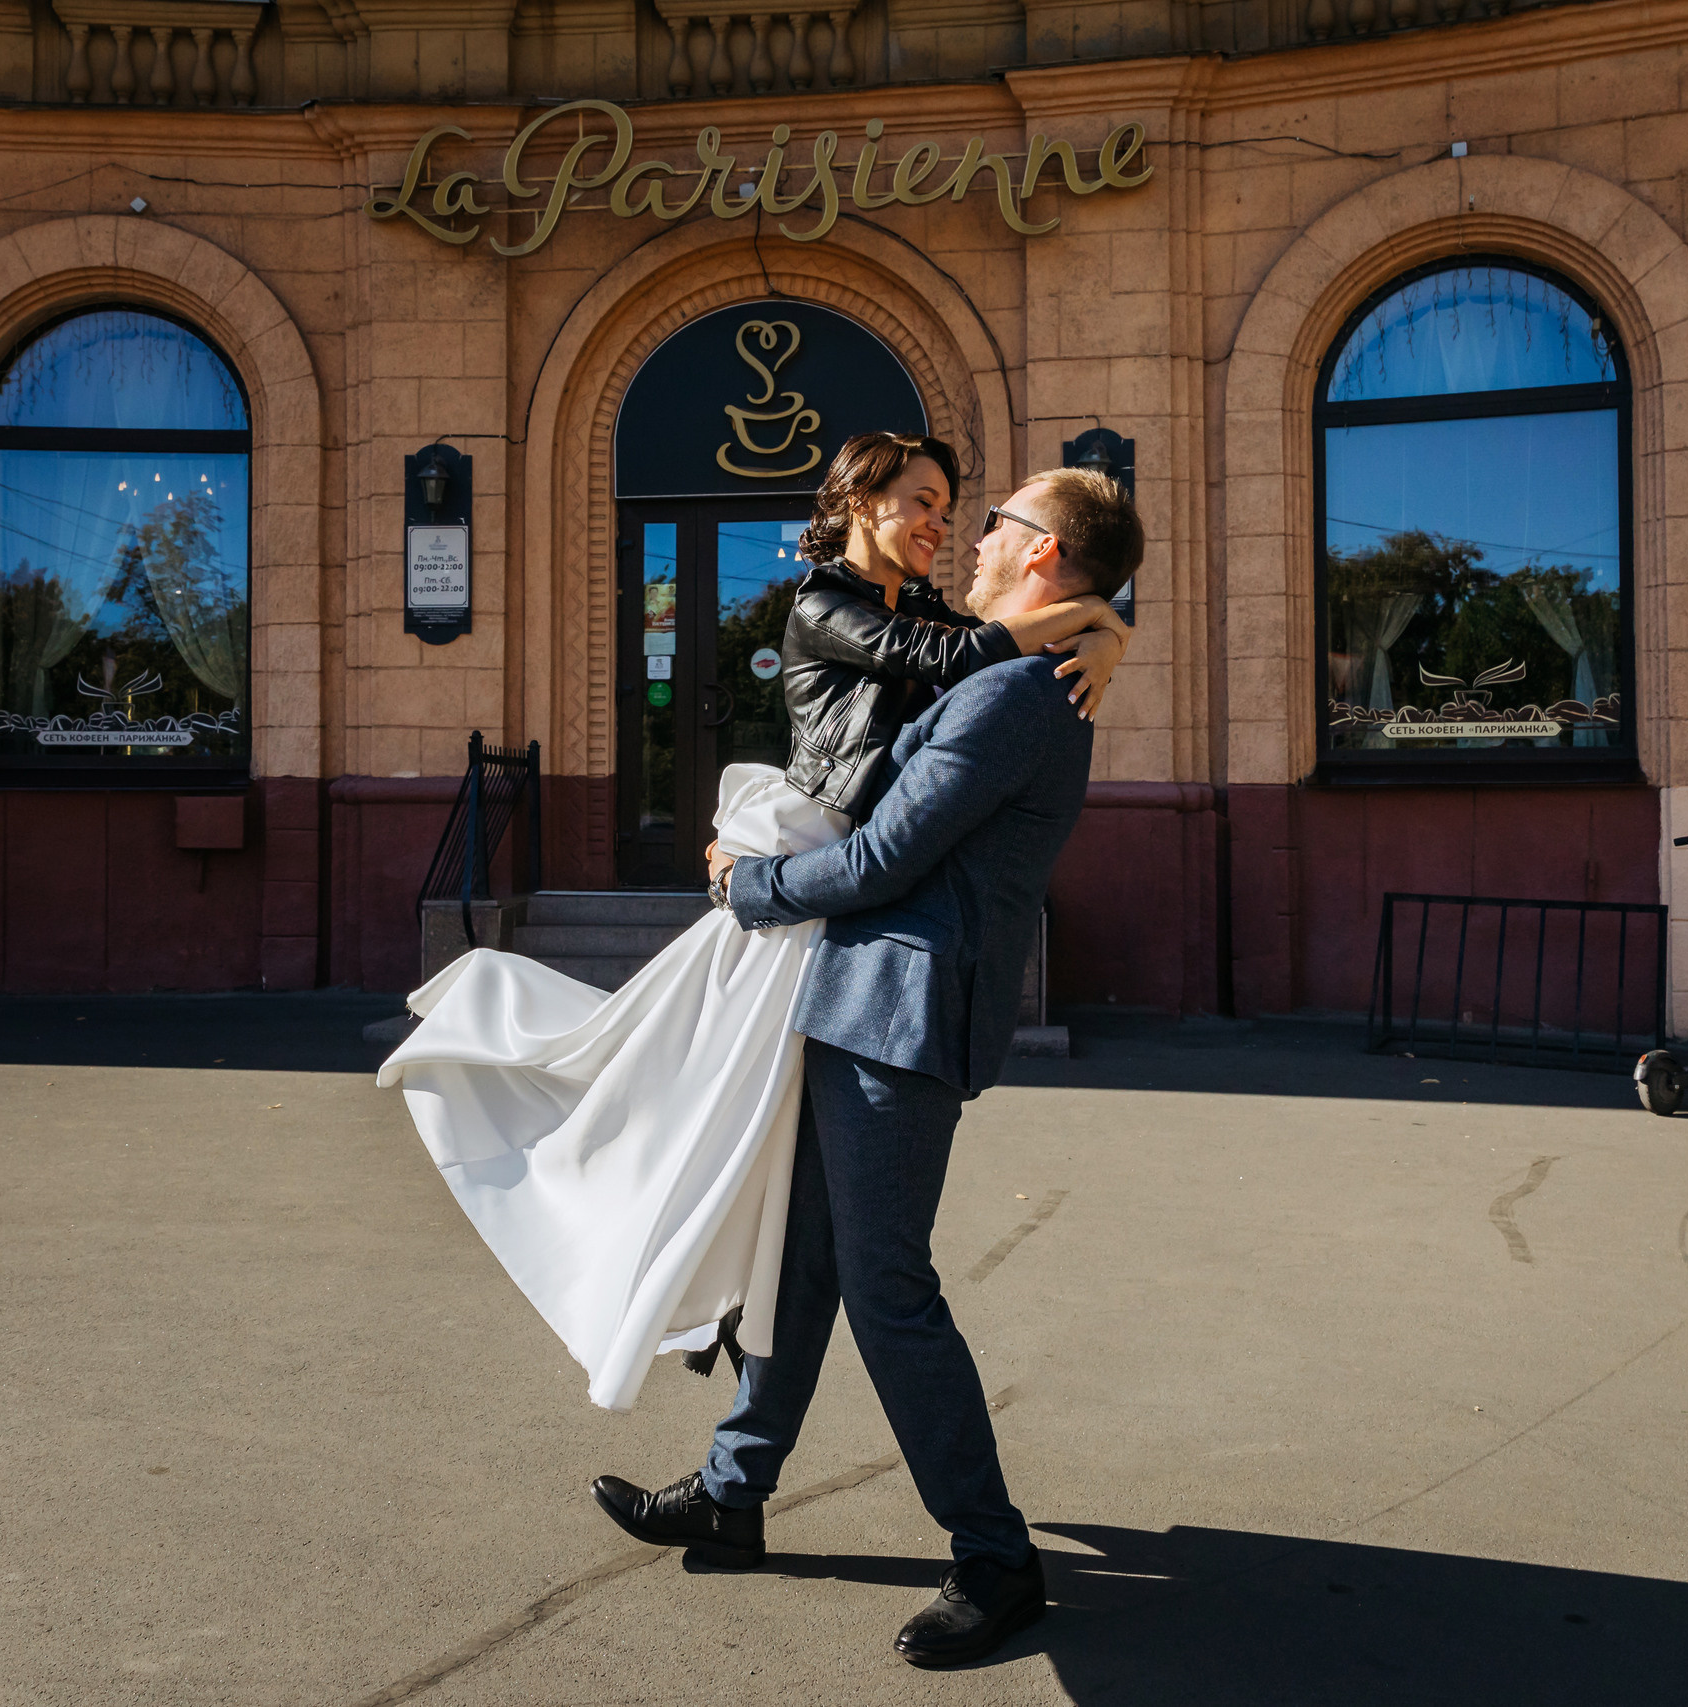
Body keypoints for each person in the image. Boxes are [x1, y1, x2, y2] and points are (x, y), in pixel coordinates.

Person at [376, 437, 1126, 1415]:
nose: (947, 527)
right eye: (925, 503)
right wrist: (1100, 619)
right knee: (687, 1088)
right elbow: (953, 658)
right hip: (808, 864)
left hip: (846, 895)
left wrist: (1098, 626)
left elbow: (981, 643)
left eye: (960, 510)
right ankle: (619, 1221)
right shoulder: (827, 601)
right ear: (862, 501)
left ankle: (739, 1437)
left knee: (785, 1191)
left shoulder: (932, 618)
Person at [588, 466, 1142, 1669]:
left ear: (1043, 552)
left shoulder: (1014, 699)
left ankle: (996, 1560)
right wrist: (1114, 621)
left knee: (888, 1290)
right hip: (863, 1002)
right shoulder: (1015, 660)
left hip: (903, 1013)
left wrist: (751, 888)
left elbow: (889, 857)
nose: (979, 532)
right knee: (803, 1261)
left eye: (998, 519)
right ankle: (736, 1496)